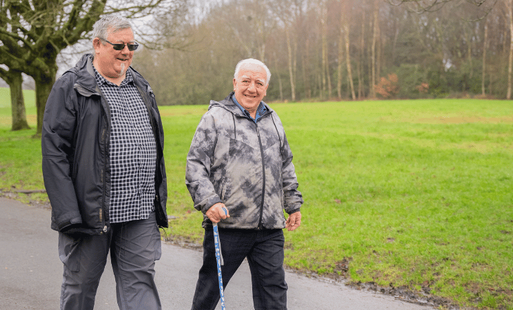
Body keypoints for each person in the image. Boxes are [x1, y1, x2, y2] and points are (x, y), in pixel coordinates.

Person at [41, 15, 168, 310]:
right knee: (80, 288)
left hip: (139, 209)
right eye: (119, 45)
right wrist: (68, 214)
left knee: (141, 284)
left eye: (131, 45)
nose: (126, 51)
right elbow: (54, 153)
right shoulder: (72, 86)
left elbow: (157, 147)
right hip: (91, 212)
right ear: (97, 45)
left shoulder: (141, 85)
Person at [185, 58, 304, 310]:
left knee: (274, 292)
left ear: (266, 87)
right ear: (235, 83)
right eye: (246, 81)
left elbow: (285, 163)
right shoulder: (215, 118)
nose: (252, 88)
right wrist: (209, 201)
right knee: (210, 290)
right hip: (229, 224)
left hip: (269, 227)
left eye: (259, 83)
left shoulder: (273, 119)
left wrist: (292, 203)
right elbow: (195, 166)